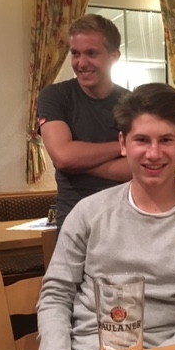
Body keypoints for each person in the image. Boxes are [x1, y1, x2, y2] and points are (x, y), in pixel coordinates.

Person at [36, 83, 175, 350]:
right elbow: (56, 294)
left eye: (166, 140)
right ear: (122, 144)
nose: (153, 153)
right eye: (142, 140)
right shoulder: (89, 212)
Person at [38, 14, 132, 229]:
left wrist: (77, 163)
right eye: (75, 53)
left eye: (91, 53)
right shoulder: (55, 96)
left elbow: (135, 168)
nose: (81, 63)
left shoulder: (132, 102)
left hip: (125, 218)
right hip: (74, 219)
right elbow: (63, 157)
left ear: (114, 56)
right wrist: (123, 146)